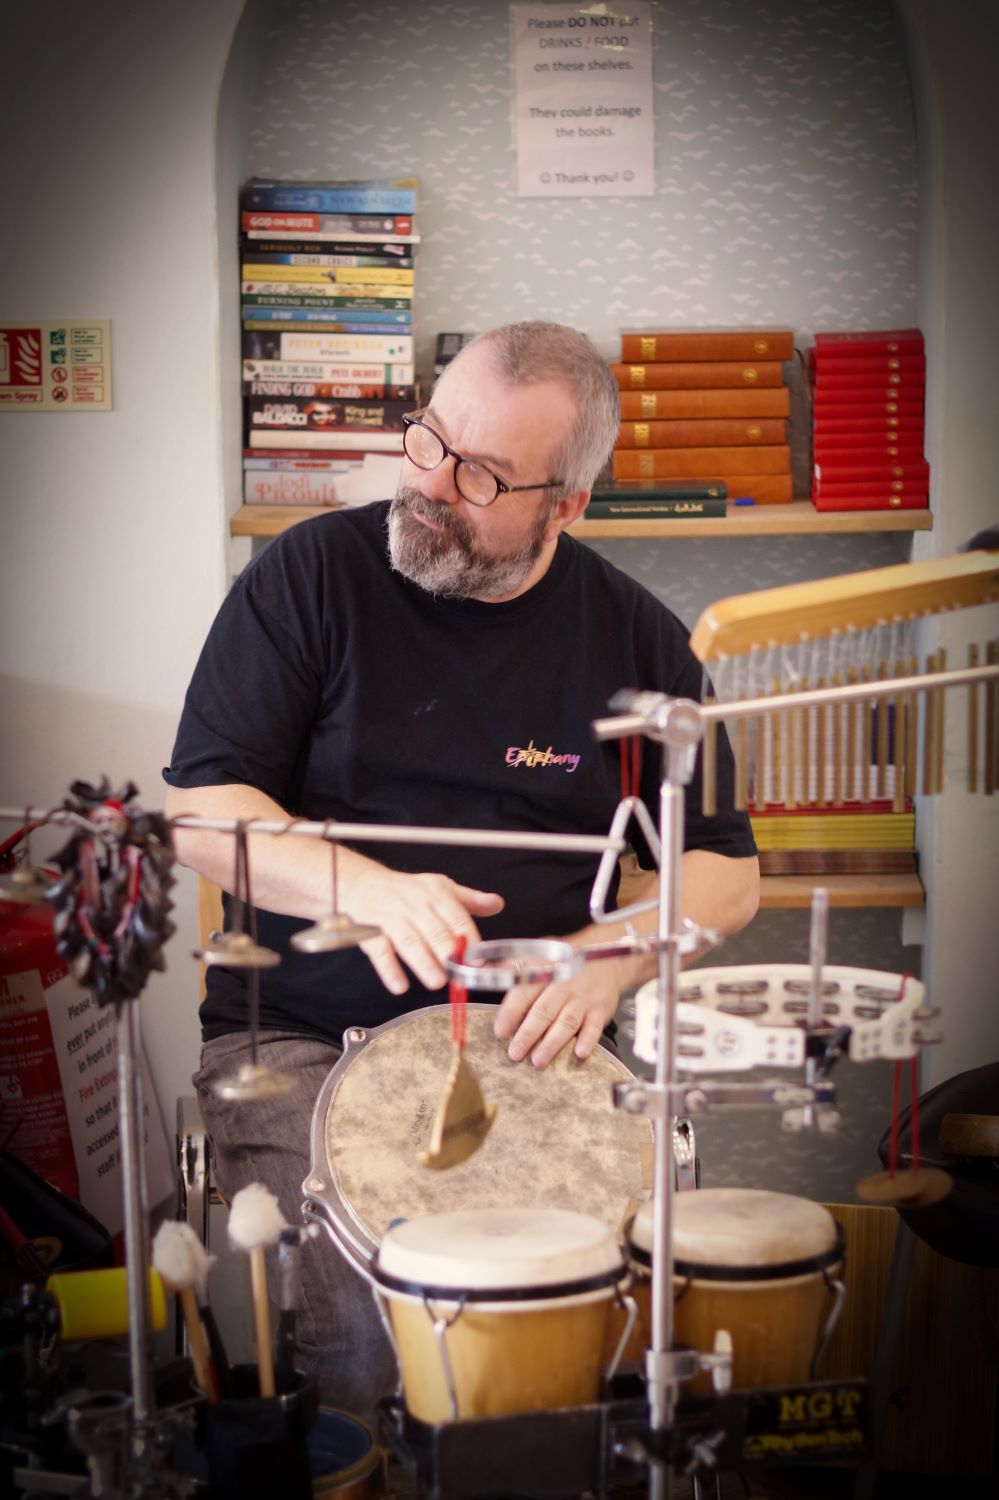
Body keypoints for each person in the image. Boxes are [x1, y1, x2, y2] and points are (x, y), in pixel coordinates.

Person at [163, 321, 759, 1411]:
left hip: (530, 1044)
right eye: (429, 439)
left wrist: (606, 960)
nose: (430, 484)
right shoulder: (311, 576)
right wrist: (365, 888)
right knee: (370, 1343)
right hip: (299, 1034)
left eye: (479, 473)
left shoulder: (637, 643)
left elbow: (723, 874)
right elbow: (201, 815)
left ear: (564, 506)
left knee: (570, 1341)